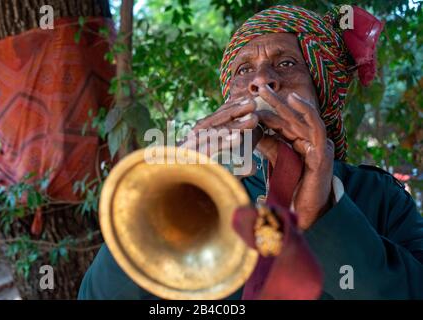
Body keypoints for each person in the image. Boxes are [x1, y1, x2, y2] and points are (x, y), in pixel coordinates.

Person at [78, 5, 423, 299]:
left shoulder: (380, 197)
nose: (261, 80)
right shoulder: (202, 196)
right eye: (244, 70)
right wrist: (165, 193)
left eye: (286, 64)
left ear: (324, 96)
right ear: (230, 101)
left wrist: (322, 214)